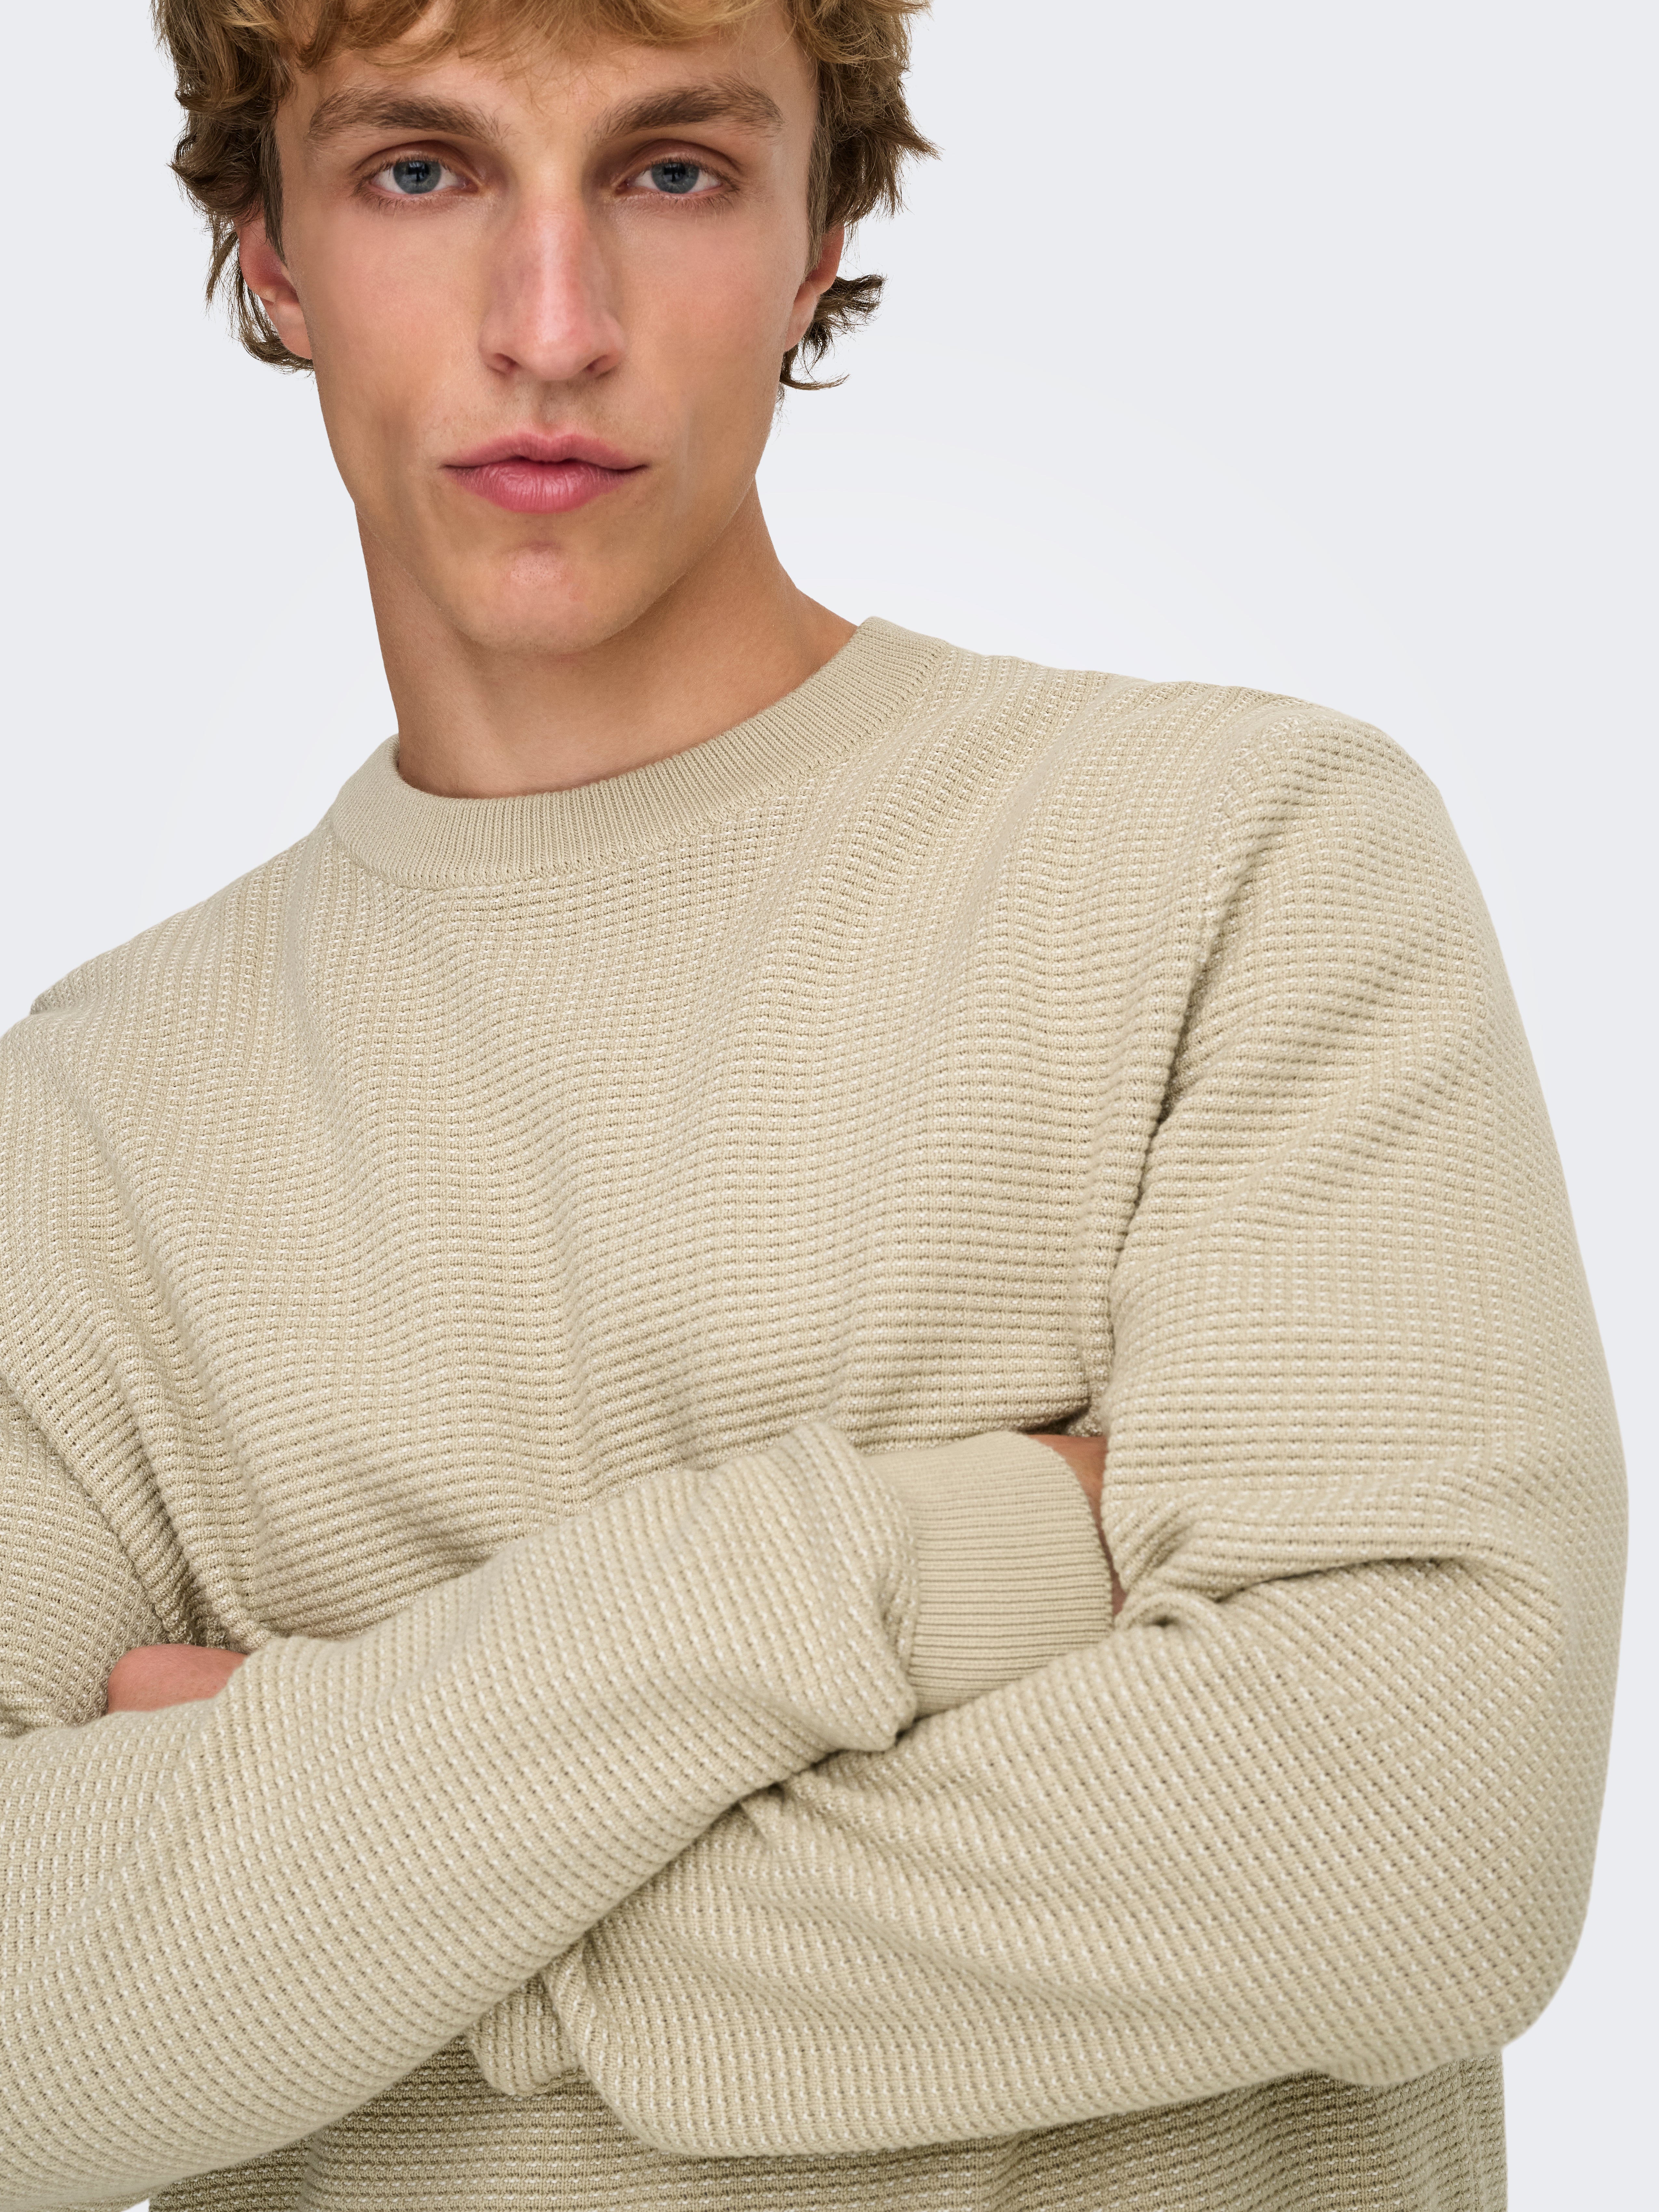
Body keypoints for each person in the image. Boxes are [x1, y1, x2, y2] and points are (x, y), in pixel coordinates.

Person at [0, 0, 1625, 2206]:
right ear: (270, 248)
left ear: (821, 229)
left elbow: (1411, 1848)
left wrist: (343, 1896)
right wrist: (937, 1549)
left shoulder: (1240, 864)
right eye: (420, 172)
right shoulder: (86, 1129)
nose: (551, 325)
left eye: (670, 172)